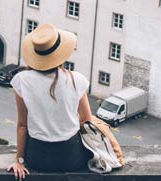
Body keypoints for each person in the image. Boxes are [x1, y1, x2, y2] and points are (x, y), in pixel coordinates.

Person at [8, 23, 99, 177]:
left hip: (37, 157)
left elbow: (22, 125)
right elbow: (86, 121)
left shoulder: (21, 80)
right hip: (72, 157)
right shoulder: (76, 79)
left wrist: (19, 160)